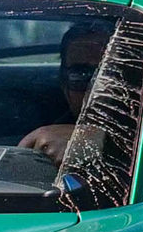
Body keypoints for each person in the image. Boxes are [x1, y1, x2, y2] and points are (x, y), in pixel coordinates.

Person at [18, 21, 116, 161]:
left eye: (113, 74)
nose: (99, 88)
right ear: (64, 84)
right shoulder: (37, 143)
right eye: (80, 74)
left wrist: (106, 142)